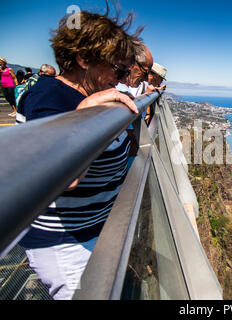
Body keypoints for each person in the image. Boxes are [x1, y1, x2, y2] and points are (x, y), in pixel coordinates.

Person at [17, 7, 141, 300]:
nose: (123, 79)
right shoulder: (50, 97)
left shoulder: (91, 98)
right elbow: (56, 176)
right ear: (84, 59)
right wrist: (85, 113)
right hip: (66, 245)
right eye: (118, 70)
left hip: (92, 231)